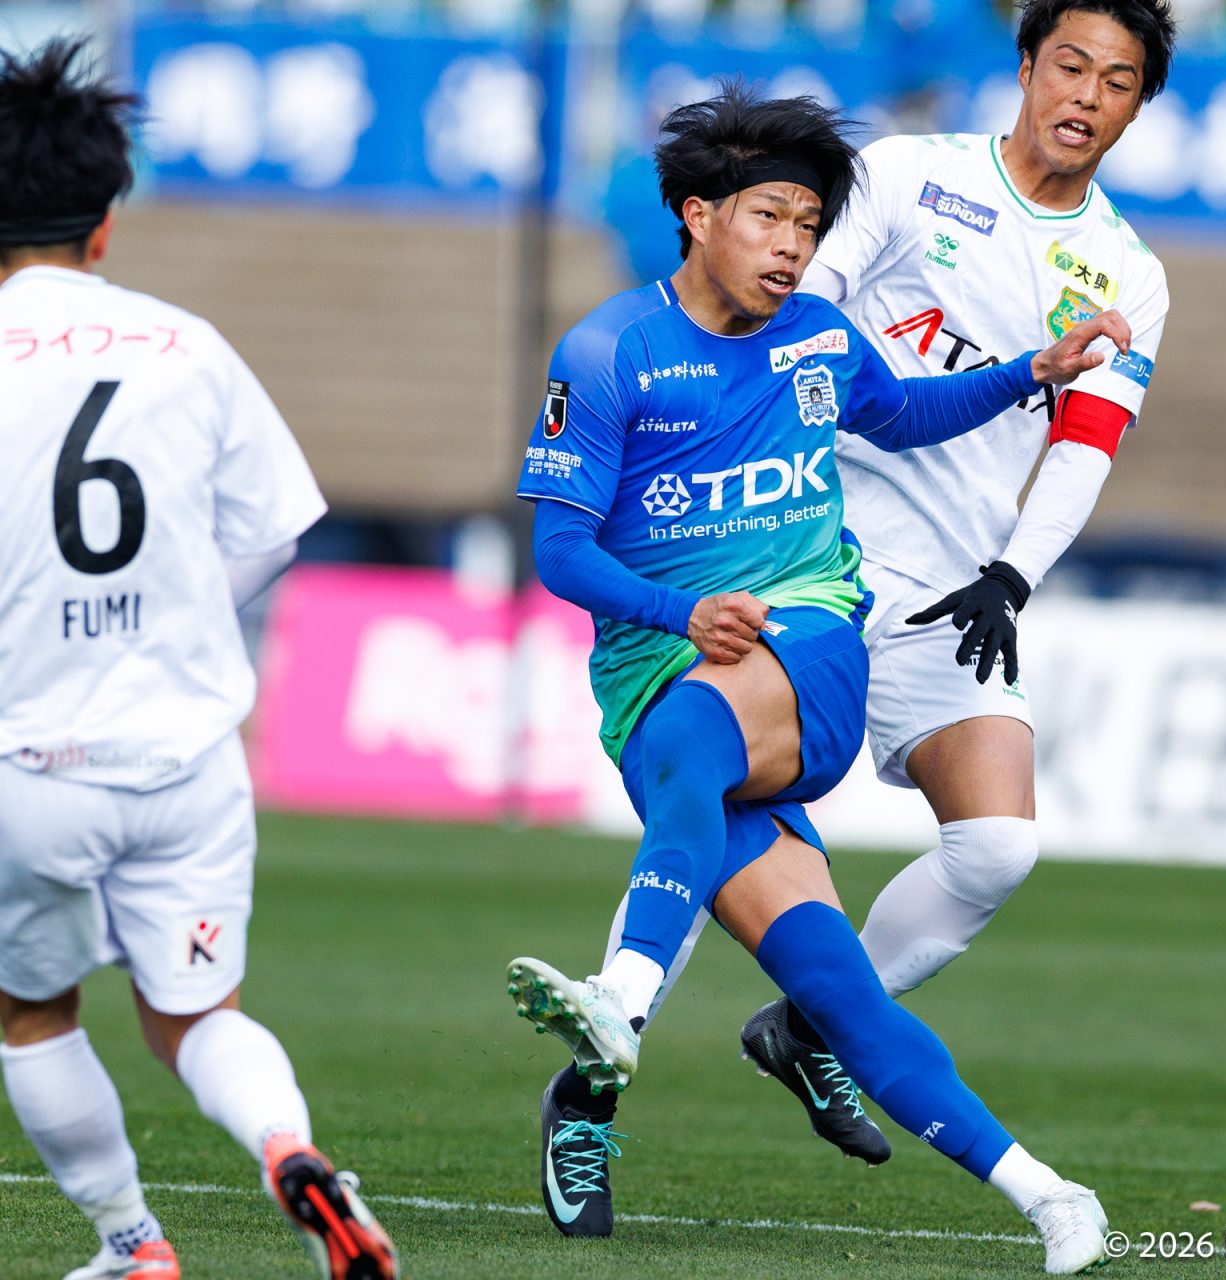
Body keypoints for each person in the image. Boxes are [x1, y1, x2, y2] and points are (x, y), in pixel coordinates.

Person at [506, 83, 1129, 1274]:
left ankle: (619, 1001)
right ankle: (1052, 1194)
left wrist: (1031, 371)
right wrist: (678, 609)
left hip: (810, 644)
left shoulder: (821, 340)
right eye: (769, 218)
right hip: (662, 674)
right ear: (698, 216)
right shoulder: (609, 352)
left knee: (705, 728)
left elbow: (907, 412)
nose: (793, 246)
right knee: (841, 993)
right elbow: (560, 550)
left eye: (808, 224)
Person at [0, 40, 396, 1280]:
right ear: (106, 221)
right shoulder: (187, 344)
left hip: (28, 758)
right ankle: (291, 1147)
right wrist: (177, 622)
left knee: (30, 1010)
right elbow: (277, 528)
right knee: (195, 1018)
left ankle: (133, 1243)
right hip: (188, 755)